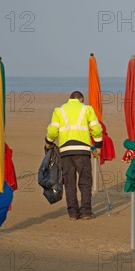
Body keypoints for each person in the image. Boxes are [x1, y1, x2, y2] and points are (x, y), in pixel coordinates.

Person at [45, 91, 103, 220]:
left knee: (69, 182)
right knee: (85, 182)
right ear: (81, 99)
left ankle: (73, 213)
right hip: (82, 150)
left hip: (65, 151)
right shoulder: (87, 109)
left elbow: (53, 130)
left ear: (70, 99)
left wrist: (48, 142)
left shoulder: (59, 110)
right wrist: (98, 146)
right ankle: (86, 212)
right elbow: (96, 129)